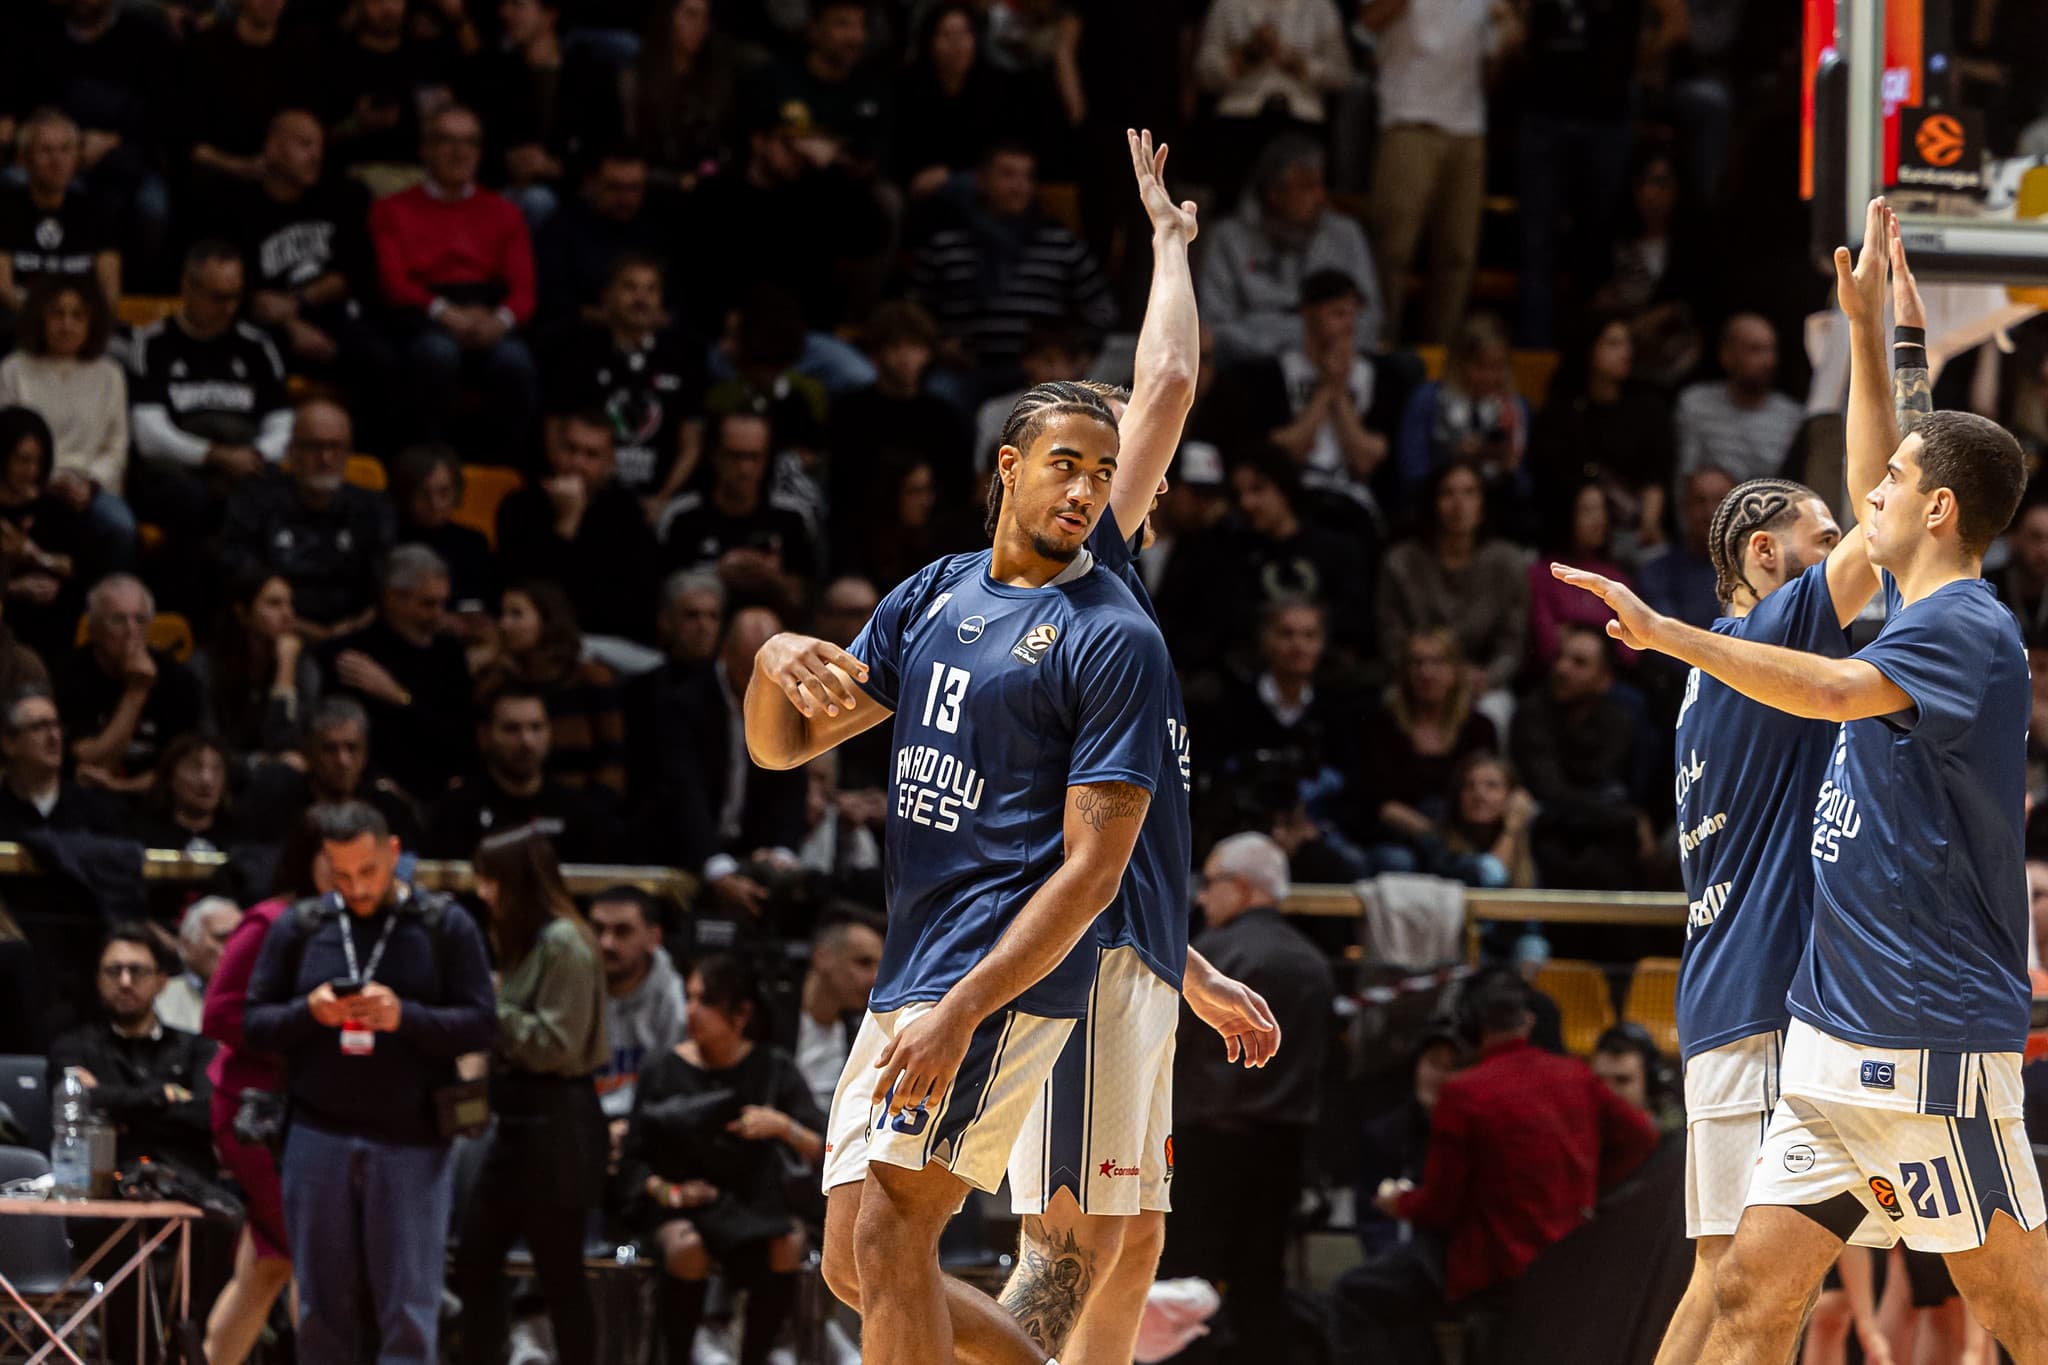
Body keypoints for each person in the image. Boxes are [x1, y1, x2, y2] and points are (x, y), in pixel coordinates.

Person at [1555, 285, 2048, 1365]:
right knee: (1744, 1294)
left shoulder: (1946, 631)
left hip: (1914, 1029)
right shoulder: (1869, 624)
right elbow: (1918, 480)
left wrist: (1665, 631)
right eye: (1837, 514)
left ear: (1929, 513)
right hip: (1818, 1023)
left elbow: (1834, 679)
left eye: (1879, 490)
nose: (1861, 498)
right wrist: (1886, 341)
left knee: (2013, 1313)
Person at [745, 379, 1175, 1365]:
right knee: (854, 1263)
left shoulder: (1114, 637)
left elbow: (1093, 872)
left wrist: (967, 1007)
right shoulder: (936, 591)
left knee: (898, 1229)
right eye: (1065, 464)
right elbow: (785, 749)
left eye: (1103, 474)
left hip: (996, 981)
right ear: (1009, 467)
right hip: (912, 968)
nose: (1084, 489)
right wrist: (771, 655)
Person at [1605, 205, 1903, 1364]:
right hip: (1768, 996)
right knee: (1745, 1290)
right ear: (1766, 559)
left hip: (1738, 993)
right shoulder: (1766, 635)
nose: (1840, 550)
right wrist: (1865, 337)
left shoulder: (1713, 682)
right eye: (1815, 536)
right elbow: (1884, 514)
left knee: (1744, 1286)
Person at [242, 801, 497, 1365]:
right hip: (317, 1135)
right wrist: (310, 1012)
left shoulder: (443, 924)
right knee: (320, 1311)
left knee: (409, 1309)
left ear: (394, 854)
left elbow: (483, 1023)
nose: (355, 886)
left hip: (412, 1141)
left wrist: (405, 1016)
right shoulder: (302, 925)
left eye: (369, 872)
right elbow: (254, 1024)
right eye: (341, 874)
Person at [1332, 972, 1659, 1362]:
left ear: (1472, 1025)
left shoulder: (1464, 1093)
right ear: (1529, 1021)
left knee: (1356, 1294)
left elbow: (1441, 1207)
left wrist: (1399, 1204)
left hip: (1494, 1271)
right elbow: (1642, 1135)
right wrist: (1593, 1186)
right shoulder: (1576, 1075)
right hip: (1567, 1264)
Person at [1162, 833, 1334, 1361]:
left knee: (1182, 1285)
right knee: (1262, 1283)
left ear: (1240, 888)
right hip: (1283, 1147)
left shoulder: (1211, 961)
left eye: (1210, 883)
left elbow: (1169, 1048)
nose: (1201, 897)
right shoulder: (1314, 962)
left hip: (1204, 1147)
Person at [620, 953, 827, 1365]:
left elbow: (826, 1147)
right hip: (683, 1203)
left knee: (787, 1240)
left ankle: (757, 1355)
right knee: (686, 1247)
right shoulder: (663, 1069)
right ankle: (678, 1356)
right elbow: (632, 1161)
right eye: (689, 997)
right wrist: (670, 1192)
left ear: (742, 1013)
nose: (690, 1011)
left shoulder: (773, 1067)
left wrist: (784, 1127)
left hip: (751, 1201)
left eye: (705, 1001)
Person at [455, 824, 608, 1365]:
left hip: (557, 1125)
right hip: (522, 1124)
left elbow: (557, 1047)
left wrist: (487, 1008)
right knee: (475, 1260)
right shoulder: (530, 937)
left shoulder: (564, 942)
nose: (482, 891)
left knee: (558, 1272)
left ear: (515, 881)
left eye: (489, 880)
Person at [48, 923, 219, 1363]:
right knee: (121, 1240)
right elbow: (77, 1102)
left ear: (162, 980)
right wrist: (164, 1097)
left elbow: (207, 1115)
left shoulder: (196, 1049)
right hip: (105, 1191)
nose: (124, 981)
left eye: (137, 971)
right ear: (98, 978)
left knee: (222, 1225)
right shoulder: (75, 1046)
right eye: (113, 971)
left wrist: (117, 1105)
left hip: (189, 1189)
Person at [200, 818, 331, 1365]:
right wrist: (298, 1037)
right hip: (258, 1115)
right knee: (317, 1263)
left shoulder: (353, 925)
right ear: (309, 858)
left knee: (268, 1268)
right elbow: (218, 1013)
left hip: (312, 1113)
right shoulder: (269, 921)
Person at [370, 104, 539, 460]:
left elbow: (524, 292)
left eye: (470, 142)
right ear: (425, 149)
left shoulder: (505, 213)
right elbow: (394, 284)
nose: (459, 151)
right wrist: (446, 314)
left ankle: (502, 472)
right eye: (446, 141)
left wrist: (499, 321)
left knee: (516, 362)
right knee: (437, 354)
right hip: (422, 316)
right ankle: (429, 466)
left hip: (487, 316)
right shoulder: (391, 210)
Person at [1362, 0, 1519, 346]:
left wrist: (1507, 36)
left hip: (1468, 125)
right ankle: (1378, 350)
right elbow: (1365, 22)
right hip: (1409, 117)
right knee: (1393, 249)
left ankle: (1443, 362)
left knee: (1458, 256)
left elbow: (1496, 63)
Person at [904, 141, 1118, 383]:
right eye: (1007, 175)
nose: (1019, 187)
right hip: (963, 371)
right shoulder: (947, 244)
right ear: (981, 180)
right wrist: (939, 344)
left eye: (1027, 177)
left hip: (1040, 373)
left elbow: (1102, 307)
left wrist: (1080, 351)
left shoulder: (1060, 244)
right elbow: (915, 309)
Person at [639, 605, 807, 900]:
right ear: (725, 654)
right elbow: (683, 792)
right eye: (752, 676)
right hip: (686, 851)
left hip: (753, 851)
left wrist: (781, 851)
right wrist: (717, 870)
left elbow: (790, 785)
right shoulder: (681, 705)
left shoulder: (789, 700)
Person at [126, 241, 293, 525]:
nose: (229, 308)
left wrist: (254, 456)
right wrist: (214, 456)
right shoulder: (153, 344)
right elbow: (149, 433)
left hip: (247, 464)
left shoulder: (257, 346)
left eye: (235, 296)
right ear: (187, 287)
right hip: (182, 469)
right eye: (218, 297)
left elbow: (283, 422)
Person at [536, 251, 706, 507]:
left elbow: (691, 446)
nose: (641, 298)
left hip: (658, 502)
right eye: (630, 287)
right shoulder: (576, 356)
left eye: (651, 290)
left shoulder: (682, 360)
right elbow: (554, 434)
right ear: (607, 296)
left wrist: (662, 500)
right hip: (588, 498)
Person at [219, 398, 395, 638]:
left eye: (336, 447)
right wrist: (307, 630)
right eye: (314, 447)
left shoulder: (371, 508)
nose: (326, 458)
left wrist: (353, 628)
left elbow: (386, 585)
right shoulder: (255, 501)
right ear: (291, 451)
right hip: (275, 634)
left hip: (356, 637)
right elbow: (241, 575)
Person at [1199, 135, 1382, 365]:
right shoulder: (1228, 237)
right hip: (1254, 366)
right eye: (1307, 187)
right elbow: (1214, 327)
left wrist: (1322, 345)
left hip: (1337, 360)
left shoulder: (1346, 234)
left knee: (1403, 368)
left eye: (1320, 185)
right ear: (1274, 195)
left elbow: (1370, 320)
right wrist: (1299, 343)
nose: (1320, 197)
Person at [323, 543, 477, 805]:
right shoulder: (352, 655)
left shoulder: (449, 653)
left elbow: (459, 736)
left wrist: (399, 696)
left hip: (439, 786)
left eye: (443, 603)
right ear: (393, 598)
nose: (440, 615)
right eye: (428, 604)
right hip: (369, 791)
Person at [494, 409, 660, 643]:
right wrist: (566, 525)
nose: (577, 463)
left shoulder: (627, 515)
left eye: (591, 455)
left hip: (605, 639)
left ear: (609, 462)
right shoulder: (520, 506)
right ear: (555, 450)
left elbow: (626, 601)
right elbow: (527, 591)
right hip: (537, 638)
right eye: (570, 449)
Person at [0, 278, 133, 568]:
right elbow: (6, 442)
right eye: (57, 314)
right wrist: (44, 479)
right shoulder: (13, 369)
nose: (67, 324)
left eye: (78, 315)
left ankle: (106, 607)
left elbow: (117, 447)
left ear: (92, 322)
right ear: (40, 318)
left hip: (91, 487)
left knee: (120, 527)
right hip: (27, 484)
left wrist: (90, 483)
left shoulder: (110, 374)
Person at [1510, 623, 1651, 889]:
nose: (1562, 669)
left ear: (1604, 680)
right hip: (1548, 831)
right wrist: (1627, 815)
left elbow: (1622, 788)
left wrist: (1627, 815)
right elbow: (1550, 793)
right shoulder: (1531, 714)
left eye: (1579, 663)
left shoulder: (1620, 721)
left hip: (1605, 836)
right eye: (1560, 658)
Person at [1375, 459, 1528, 702]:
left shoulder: (1508, 563)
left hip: (1479, 683)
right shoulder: (1401, 563)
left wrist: (1487, 678)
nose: (1459, 505)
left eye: (1469, 493)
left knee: (1497, 709)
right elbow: (1393, 640)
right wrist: (1429, 672)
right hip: (1416, 678)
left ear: (1483, 503)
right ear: (1432, 502)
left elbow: (1511, 645)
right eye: (1448, 493)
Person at [1355, 628, 1500, 871]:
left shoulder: (1479, 728)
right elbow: (1376, 802)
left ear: (1456, 671)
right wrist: (1431, 833)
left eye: (1437, 662)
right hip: (1397, 837)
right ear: (1404, 671)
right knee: (1398, 861)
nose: (1426, 672)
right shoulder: (1381, 725)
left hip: (1462, 835)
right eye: (1417, 663)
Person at [471, 581, 629, 801]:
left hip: (584, 807)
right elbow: (483, 754)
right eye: (503, 614)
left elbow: (614, 755)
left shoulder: (589, 678)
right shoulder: (496, 683)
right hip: (513, 809)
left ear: (547, 620)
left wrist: (598, 807)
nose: (504, 624)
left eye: (516, 614)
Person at [1193, 0, 1353, 206]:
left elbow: (1342, 74)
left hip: (1302, 119)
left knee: (1301, 200)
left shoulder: (1320, 6)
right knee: (1233, 202)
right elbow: (1204, 74)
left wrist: (1297, 63)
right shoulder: (1227, 5)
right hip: (1239, 120)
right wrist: (1247, 56)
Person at [426, 683, 607, 862]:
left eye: (536, 727)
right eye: (512, 729)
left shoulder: (578, 811)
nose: (527, 741)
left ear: (550, 732)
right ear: (484, 736)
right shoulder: (457, 810)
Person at [56, 574, 205, 790]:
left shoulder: (177, 677)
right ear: (93, 629)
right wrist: (136, 692)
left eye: (140, 619)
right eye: (118, 620)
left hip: (158, 800)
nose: (131, 630)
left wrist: (120, 787)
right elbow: (91, 765)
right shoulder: (71, 675)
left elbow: (185, 769)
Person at [657, 411, 817, 612]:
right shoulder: (682, 517)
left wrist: (774, 580)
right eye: (735, 456)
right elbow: (664, 597)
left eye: (754, 457)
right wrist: (716, 575)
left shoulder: (793, 517)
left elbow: (807, 599)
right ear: (714, 455)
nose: (745, 469)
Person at [1395, 312, 1530, 516]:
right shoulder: (1428, 400)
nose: (1489, 377)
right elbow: (1411, 475)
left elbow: (1524, 487)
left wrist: (1508, 468)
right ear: (1460, 362)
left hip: (1496, 512)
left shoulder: (1516, 409)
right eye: (1480, 366)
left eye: (1497, 367)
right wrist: (1453, 459)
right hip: (1433, 510)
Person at [190, 568, 321, 770]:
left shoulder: (301, 665)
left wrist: (285, 668)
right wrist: (257, 763)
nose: (288, 614)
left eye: (290, 604)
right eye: (274, 603)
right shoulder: (205, 667)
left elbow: (284, 744)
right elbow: (206, 748)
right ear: (242, 613)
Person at [0, 108, 121, 317]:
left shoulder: (97, 211)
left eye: (66, 150)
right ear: (23, 158)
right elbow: (5, 291)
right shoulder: (5, 210)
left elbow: (109, 295)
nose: (57, 161)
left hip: (83, 333)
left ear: (77, 156)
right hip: (19, 329)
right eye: (46, 151)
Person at [0, 404, 97, 660]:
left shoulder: (56, 509)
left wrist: (34, 556)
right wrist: (13, 588)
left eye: (38, 461)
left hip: (51, 625)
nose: (32, 470)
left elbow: (83, 568)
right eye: (23, 460)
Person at [589, 885, 687, 1128]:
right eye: (598, 930)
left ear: (653, 938)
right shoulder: (569, 982)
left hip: (647, 1124)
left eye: (622, 932)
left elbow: (677, 1090)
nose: (606, 943)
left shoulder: (678, 997)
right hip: (580, 1122)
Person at [1674, 313, 1807, 486]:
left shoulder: (1793, 417)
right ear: (1726, 356)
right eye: (1755, 349)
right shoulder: (1695, 405)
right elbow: (1685, 479)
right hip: (1714, 509)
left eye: (1772, 350)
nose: (1769, 361)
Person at [1528, 479, 1641, 671]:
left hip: (1609, 681)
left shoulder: (1618, 578)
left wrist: (1576, 630)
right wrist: (1602, 631)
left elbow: (1631, 652)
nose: (1599, 520)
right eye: (1588, 511)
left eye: (1601, 510)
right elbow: (1545, 646)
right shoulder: (1543, 574)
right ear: (1568, 515)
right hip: (1554, 675)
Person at [783, 908, 885, 1112]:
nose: (875, 978)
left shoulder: (866, 1029)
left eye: (879, 967)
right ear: (822, 958)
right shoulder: (770, 1016)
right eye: (863, 963)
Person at [390, 445, 497, 623]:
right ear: (406, 495)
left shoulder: (474, 542)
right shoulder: (390, 541)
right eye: (424, 494)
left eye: (444, 492)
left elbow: (488, 602)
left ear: (456, 491)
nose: (435, 503)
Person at [0, 686, 120, 837]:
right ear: (9, 743)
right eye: (39, 727)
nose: (53, 737)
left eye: (56, 726)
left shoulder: (94, 811)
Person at [134, 732, 238, 856]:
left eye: (216, 769)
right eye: (195, 767)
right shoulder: (141, 839)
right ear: (170, 776)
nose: (207, 780)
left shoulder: (240, 840)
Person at [156, 896, 242, 1033]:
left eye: (240, 938)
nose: (234, 948)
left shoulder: (260, 996)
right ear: (187, 943)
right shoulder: (159, 996)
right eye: (221, 938)